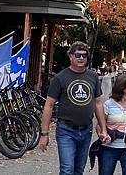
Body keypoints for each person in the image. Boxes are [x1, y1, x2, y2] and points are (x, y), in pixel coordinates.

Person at [39, 42, 107, 175]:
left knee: (78, 170)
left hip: (86, 130)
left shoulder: (93, 76)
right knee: (67, 169)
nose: (81, 58)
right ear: (70, 56)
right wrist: (44, 134)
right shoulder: (60, 78)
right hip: (66, 130)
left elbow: (98, 103)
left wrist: (103, 129)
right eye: (77, 55)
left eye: (84, 55)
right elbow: (49, 105)